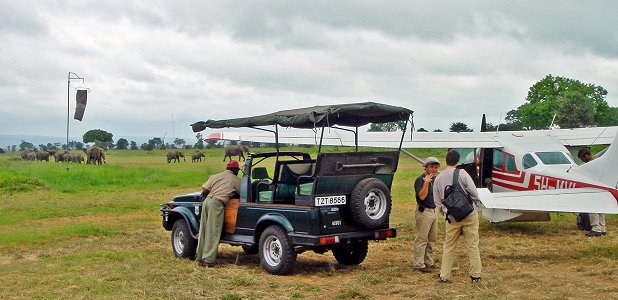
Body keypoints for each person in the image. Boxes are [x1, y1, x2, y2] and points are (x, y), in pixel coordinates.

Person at [433, 150, 482, 283]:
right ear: (458, 161)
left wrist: (446, 213)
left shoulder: (438, 179)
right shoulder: (462, 173)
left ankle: (444, 275)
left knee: (449, 245)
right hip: (469, 214)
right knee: (472, 245)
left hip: (452, 217)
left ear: (446, 161)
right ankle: (475, 275)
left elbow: (437, 202)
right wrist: (475, 205)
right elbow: (474, 193)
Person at [196, 160, 242, 267]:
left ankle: (200, 257)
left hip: (207, 202)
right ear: (235, 170)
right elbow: (243, 193)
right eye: (237, 170)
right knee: (213, 231)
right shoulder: (236, 180)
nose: (238, 172)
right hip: (217, 204)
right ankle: (208, 260)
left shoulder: (215, 176)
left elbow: (205, 189)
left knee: (204, 230)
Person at [413, 157, 440, 273]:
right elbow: (422, 196)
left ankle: (428, 261)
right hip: (424, 212)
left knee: (432, 239)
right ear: (426, 167)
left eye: (435, 167)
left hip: (433, 211)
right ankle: (418, 264)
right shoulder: (420, 180)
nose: (433, 169)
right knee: (422, 238)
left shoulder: (435, 180)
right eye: (431, 167)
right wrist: (426, 183)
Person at [577, 148, 607, 237]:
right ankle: (602, 228)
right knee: (601, 208)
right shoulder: (599, 161)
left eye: (582, 159)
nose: (582, 161)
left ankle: (596, 229)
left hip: (595, 187)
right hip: (603, 186)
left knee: (593, 207)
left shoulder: (592, 164)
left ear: (586, 156)